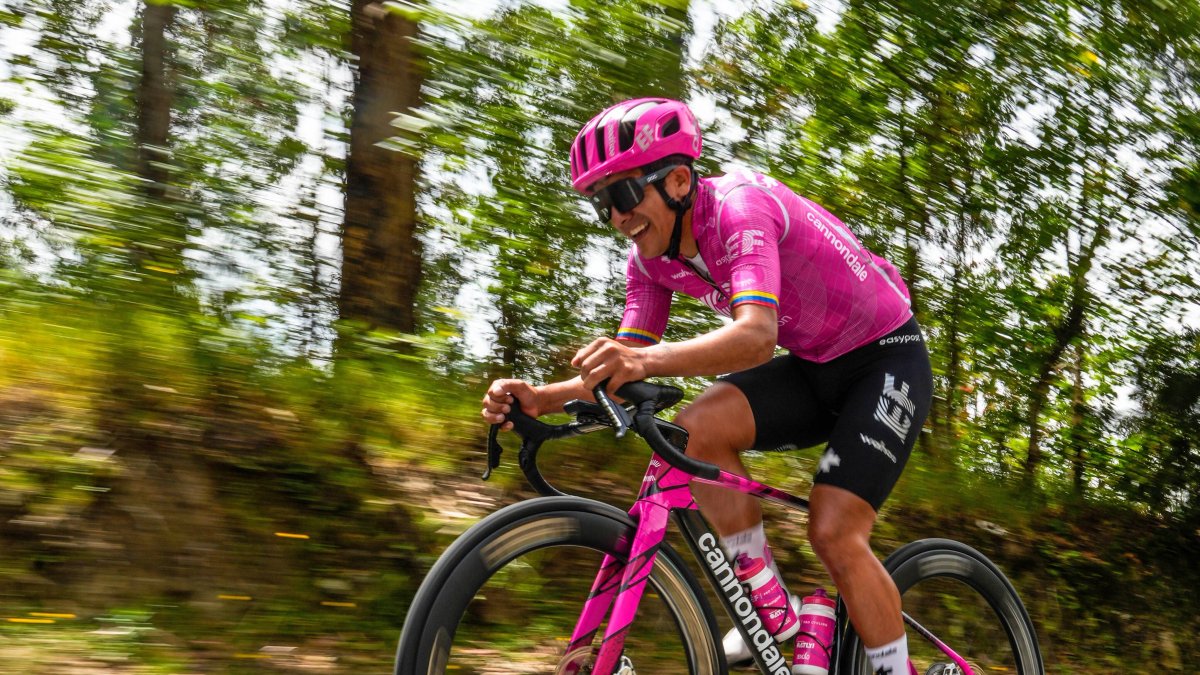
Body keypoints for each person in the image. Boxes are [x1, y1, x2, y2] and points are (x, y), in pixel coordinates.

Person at [481, 97, 932, 675]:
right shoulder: (648, 263)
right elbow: (629, 362)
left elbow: (755, 337)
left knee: (834, 530)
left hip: (885, 358)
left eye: (622, 196)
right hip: (814, 362)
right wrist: (542, 397)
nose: (617, 218)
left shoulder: (740, 209)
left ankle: (897, 668)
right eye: (604, 206)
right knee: (697, 429)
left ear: (676, 180)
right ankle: (775, 611)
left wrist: (640, 365)